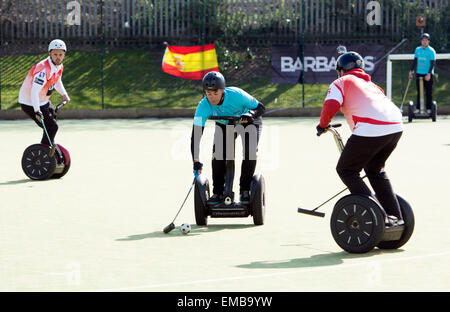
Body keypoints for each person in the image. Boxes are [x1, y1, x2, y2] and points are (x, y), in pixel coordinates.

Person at [316, 51, 404, 225]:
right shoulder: (372, 85)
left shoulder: (341, 81)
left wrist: (322, 125)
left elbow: (331, 104)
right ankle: (397, 217)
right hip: (396, 127)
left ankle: (379, 216)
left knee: (346, 170)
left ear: (341, 70)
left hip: (372, 128)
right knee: (375, 169)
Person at [191, 71, 265, 204]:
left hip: (248, 121)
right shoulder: (203, 106)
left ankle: (245, 190)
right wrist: (196, 161)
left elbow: (260, 107)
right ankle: (218, 192)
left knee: (250, 151)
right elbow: (196, 135)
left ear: (222, 90)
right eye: (208, 93)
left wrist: (250, 113)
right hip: (224, 123)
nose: (212, 97)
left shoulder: (237, 95)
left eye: (215, 93)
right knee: (218, 154)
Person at [19, 39, 70, 146]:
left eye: (60, 54)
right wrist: (37, 111)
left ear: (64, 54)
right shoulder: (43, 69)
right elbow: (34, 91)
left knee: (52, 123)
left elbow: (57, 81)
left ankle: (48, 144)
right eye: (55, 54)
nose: (58, 57)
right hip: (30, 103)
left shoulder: (59, 66)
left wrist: (64, 94)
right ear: (50, 53)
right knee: (52, 127)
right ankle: (44, 150)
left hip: (43, 101)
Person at [409, 33, 436, 114]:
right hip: (419, 73)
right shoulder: (417, 49)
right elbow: (415, 61)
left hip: (428, 74)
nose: (424, 42)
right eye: (423, 40)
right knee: (419, 92)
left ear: (428, 41)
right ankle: (418, 108)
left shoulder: (431, 51)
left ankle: (428, 108)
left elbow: (432, 63)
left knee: (428, 92)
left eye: (426, 40)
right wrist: (411, 71)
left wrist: (428, 74)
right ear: (421, 41)